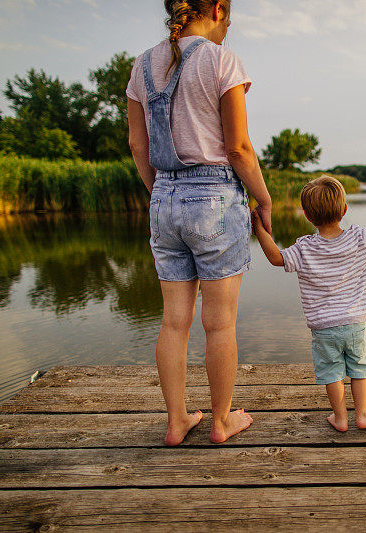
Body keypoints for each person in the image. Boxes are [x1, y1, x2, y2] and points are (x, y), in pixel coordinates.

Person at [127, 0, 272, 445]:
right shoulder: (221, 60)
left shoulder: (142, 65)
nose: (229, 26)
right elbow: (239, 148)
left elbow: (137, 143)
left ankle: (176, 422)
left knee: (174, 322)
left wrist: (162, 195)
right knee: (220, 323)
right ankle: (221, 421)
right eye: (229, 16)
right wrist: (262, 198)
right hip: (214, 196)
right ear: (217, 8)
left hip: (164, 195)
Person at [252, 176, 366, 432]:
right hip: (355, 324)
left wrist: (260, 230)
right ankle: (362, 414)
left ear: (307, 216)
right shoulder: (360, 238)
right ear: (344, 210)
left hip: (323, 329)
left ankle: (340, 418)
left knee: (332, 372)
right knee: (360, 368)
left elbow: (276, 258)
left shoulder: (304, 248)